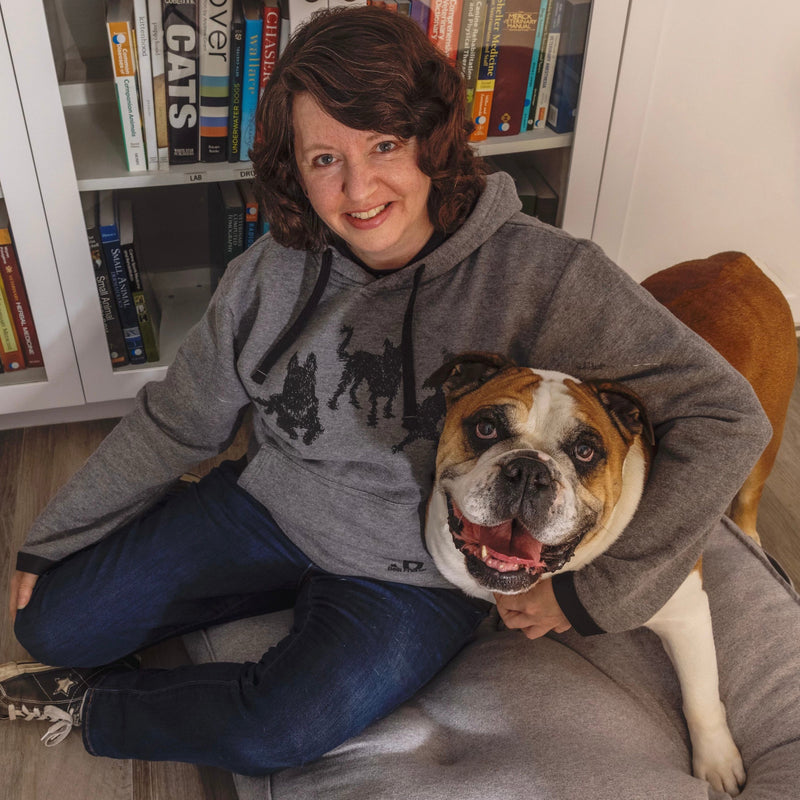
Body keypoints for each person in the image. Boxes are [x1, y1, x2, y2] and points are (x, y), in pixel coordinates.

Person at [1, 6, 770, 776]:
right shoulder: (266, 275)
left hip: (414, 577)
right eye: (324, 158)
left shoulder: (550, 274)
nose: (359, 186)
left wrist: (597, 593)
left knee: (272, 734)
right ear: (292, 169)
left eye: (385, 145)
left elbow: (728, 415)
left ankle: (92, 708)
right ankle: (116, 653)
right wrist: (58, 531)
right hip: (267, 509)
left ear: (431, 142)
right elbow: (176, 422)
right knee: (54, 626)